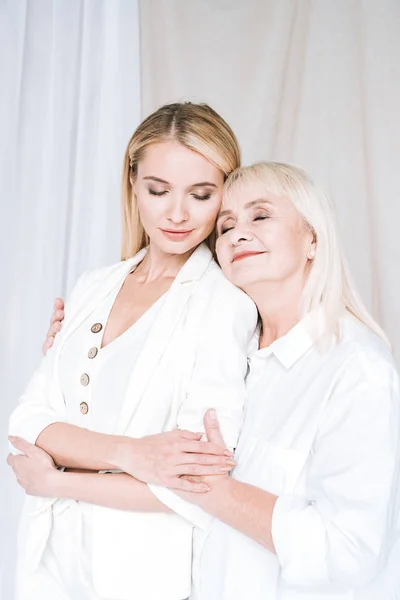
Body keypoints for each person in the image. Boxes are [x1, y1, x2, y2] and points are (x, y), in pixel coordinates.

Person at [7, 102, 257, 600]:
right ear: (133, 184)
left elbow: (191, 485)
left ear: (225, 194)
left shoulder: (225, 304)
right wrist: (132, 454)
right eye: (158, 190)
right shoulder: (92, 287)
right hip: (46, 564)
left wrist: (57, 478)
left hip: (141, 574)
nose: (177, 213)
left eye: (201, 194)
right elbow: (28, 421)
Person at [174, 162, 399, 600]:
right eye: (225, 226)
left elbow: (350, 549)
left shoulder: (357, 369)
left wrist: (215, 491)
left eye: (260, 216)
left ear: (312, 238)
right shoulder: (218, 359)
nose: (238, 234)